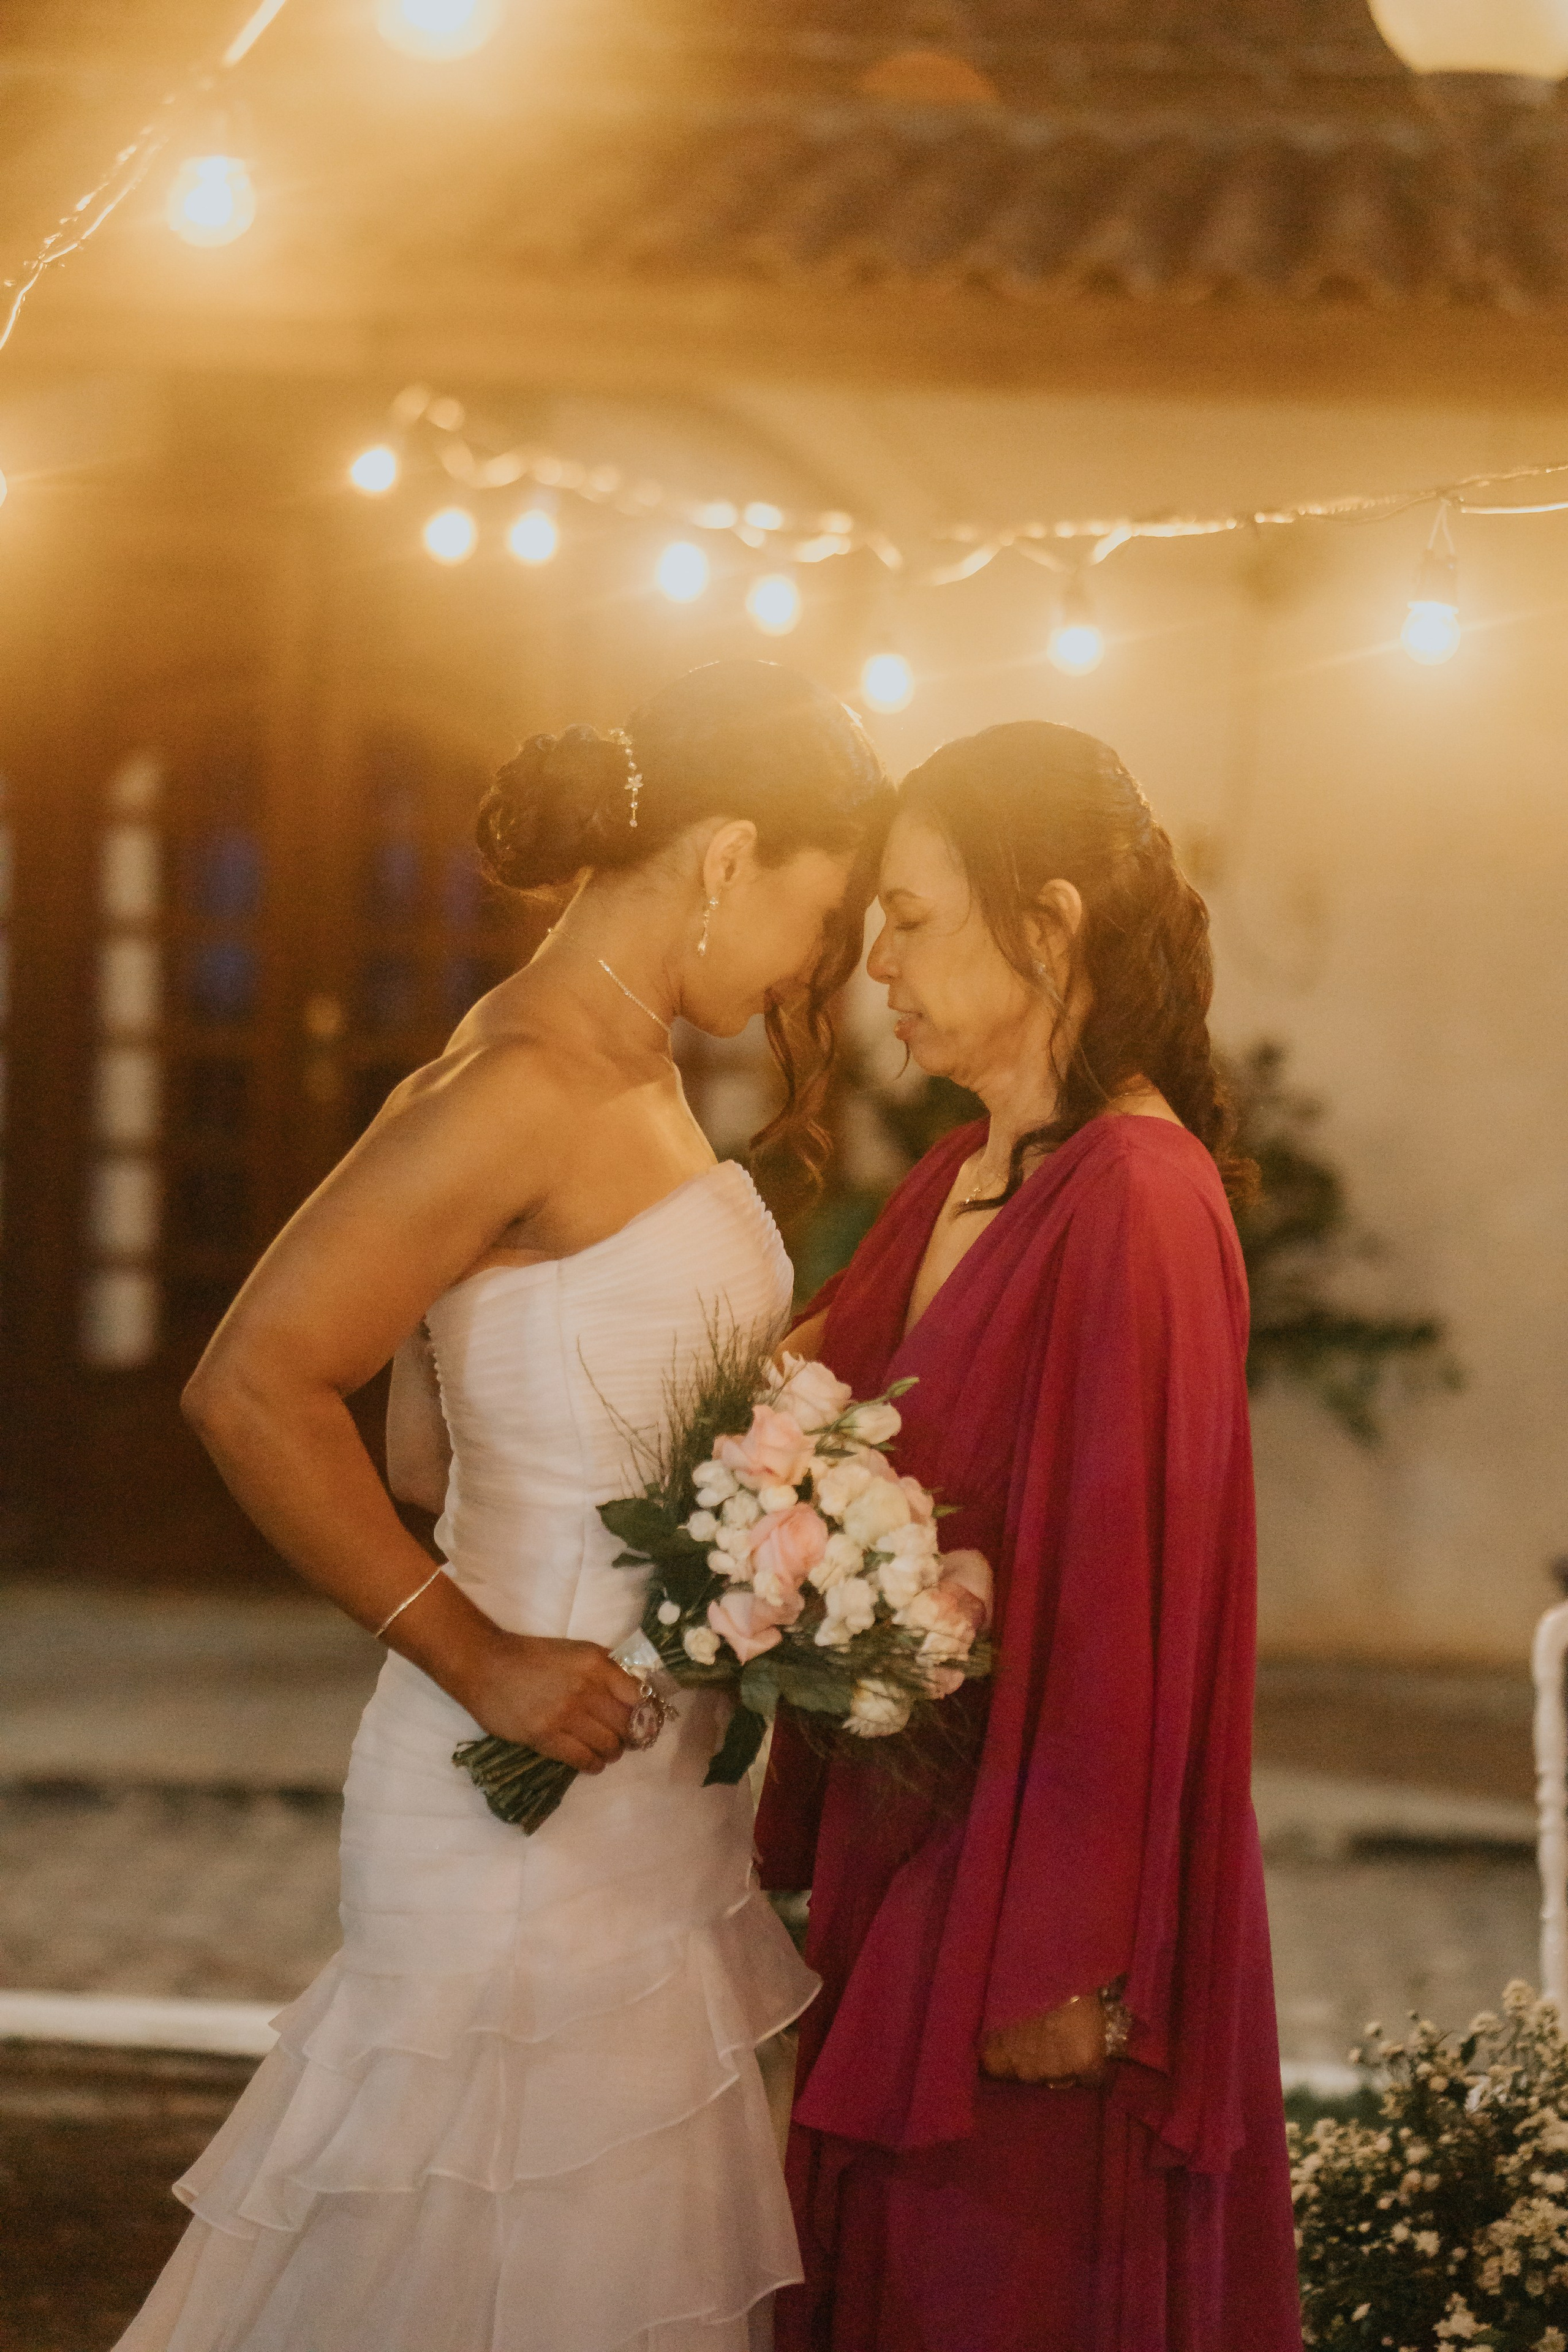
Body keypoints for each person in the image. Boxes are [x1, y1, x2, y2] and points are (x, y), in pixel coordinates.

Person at [115, 661, 892, 2352]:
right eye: (817, 916)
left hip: (643, 1804)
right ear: (727, 856)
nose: (813, 967)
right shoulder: (528, 1078)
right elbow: (250, 1387)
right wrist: (482, 1659)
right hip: (519, 1796)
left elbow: (423, 1454)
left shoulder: (634, 1062)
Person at [755, 721, 1303, 2352]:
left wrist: (1068, 1954)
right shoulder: (955, 1175)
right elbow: (789, 1424)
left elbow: (1136, 1604)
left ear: (1049, 926)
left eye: (913, 918)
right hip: (907, 1832)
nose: (876, 962)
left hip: (1029, 1902)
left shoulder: (1138, 1197)